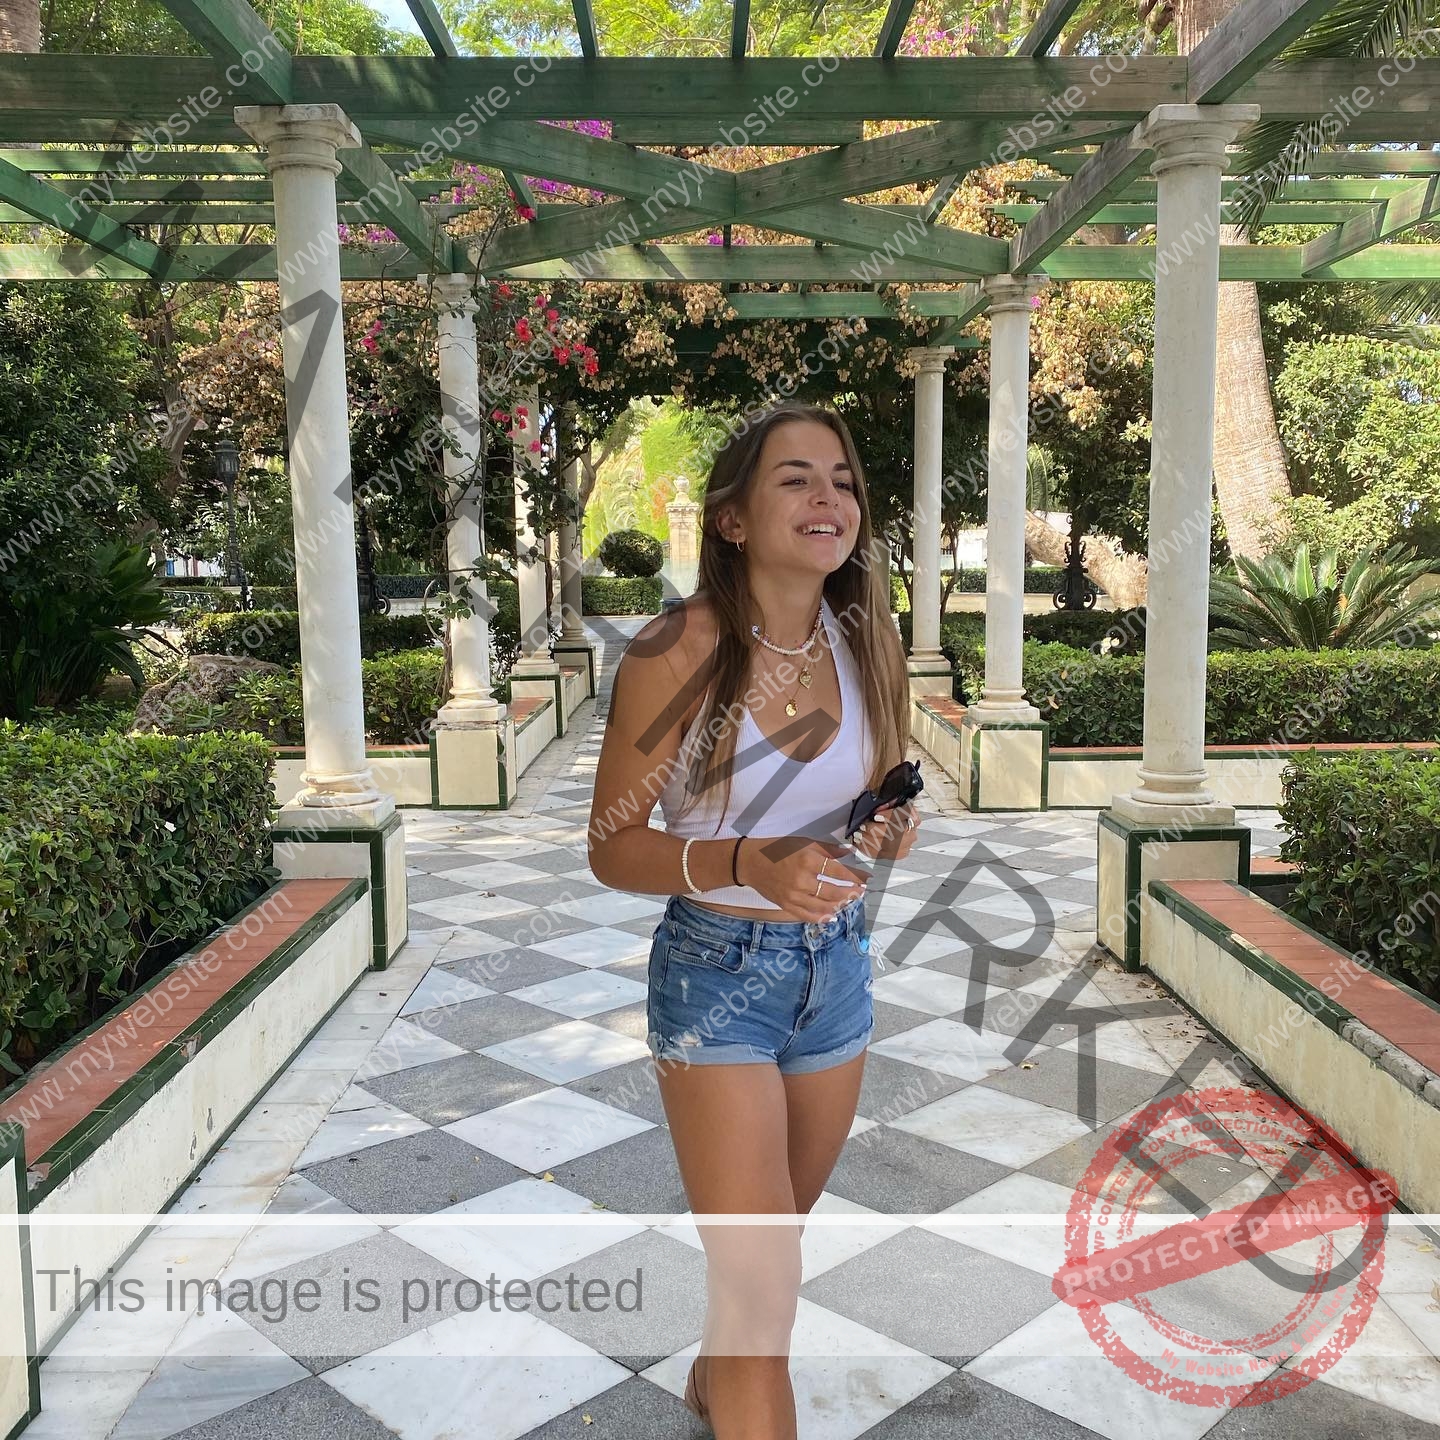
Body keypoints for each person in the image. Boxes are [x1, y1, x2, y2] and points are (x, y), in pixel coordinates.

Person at [587, 402, 921, 1438]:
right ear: (731, 519)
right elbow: (610, 844)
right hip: (716, 974)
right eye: (795, 479)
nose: (829, 498)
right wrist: (744, 861)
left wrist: (888, 826)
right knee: (767, 1282)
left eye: (842, 480)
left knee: (764, 1263)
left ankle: (712, 1378)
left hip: (838, 975)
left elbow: (877, 793)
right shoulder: (679, 646)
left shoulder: (869, 634)